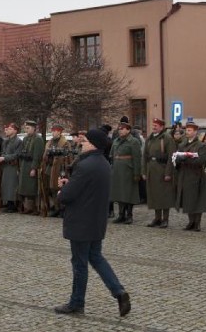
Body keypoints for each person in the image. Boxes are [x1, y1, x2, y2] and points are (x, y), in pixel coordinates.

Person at [53, 129, 131, 318]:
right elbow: (85, 187)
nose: (82, 143)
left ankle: (76, 303)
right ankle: (119, 292)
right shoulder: (103, 163)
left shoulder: (86, 165)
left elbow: (69, 195)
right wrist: (70, 183)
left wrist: (61, 191)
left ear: (94, 144)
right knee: (96, 257)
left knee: (80, 263)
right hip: (96, 220)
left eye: (85, 141)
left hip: (81, 221)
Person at [173, 120, 206, 231]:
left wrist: (185, 159)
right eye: (186, 130)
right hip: (185, 175)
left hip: (196, 175)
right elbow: (177, 158)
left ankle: (197, 223)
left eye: (189, 130)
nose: (187, 132)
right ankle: (190, 221)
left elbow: (201, 160)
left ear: (195, 132)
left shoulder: (201, 145)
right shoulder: (182, 144)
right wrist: (178, 160)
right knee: (187, 199)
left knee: (197, 199)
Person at [143, 118, 176, 228]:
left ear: (162, 127)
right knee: (154, 194)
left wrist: (168, 173)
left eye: (156, 125)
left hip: (162, 170)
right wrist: (144, 171)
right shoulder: (150, 138)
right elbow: (144, 156)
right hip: (151, 169)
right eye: (153, 125)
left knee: (164, 195)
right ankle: (157, 218)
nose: (154, 127)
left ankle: (165, 219)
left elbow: (172, 156)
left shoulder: (167, 138)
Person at [110, 121, 142, 224]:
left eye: (122, 129)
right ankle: (121, 215)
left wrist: (137, 173)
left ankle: (129, 215)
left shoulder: (133, 141)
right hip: (117, 170)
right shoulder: (116, 141)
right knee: (119, 193)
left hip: (129, 170)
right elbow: (112, 155)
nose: (120, 130)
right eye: (119, 129)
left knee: (129, 193)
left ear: (128, 130)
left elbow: (137, 158)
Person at [43, 125, 71, 217]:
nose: (53, 133)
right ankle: (56, 207)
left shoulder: (65, 143)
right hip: (49, 167)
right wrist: (47, 155)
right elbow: (45, 154)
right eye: (52, 131)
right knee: (51, 189)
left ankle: (62, 208)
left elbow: (68, 156)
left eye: (55, 131)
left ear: (59, 132)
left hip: (60, 168)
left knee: (60, 188)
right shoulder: (49, 142)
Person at [17, 120, 45, 214]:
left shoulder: (38, 139)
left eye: (28, 128)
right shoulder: (25, 139)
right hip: (25, 164)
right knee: (25, 187)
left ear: (34, 128)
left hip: (32, 165)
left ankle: (35, 208)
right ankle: (27, 207)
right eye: (26, 128)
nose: (26, 130)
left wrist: (34, 168)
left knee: (32, 187)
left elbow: (37, 155)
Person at [0, 123, 22, 212]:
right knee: (6, 185)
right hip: (6, 165)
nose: (8, 130)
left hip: (13, 165)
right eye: (8, 129)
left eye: (11, 129)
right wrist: (3, 156)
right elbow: (3, 151)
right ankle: (8, 203)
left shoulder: (18, 141)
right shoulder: (5, 141)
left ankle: (13, 204)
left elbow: (17, 154)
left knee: (12, 185)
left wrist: (5, 157)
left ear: (15, 130)